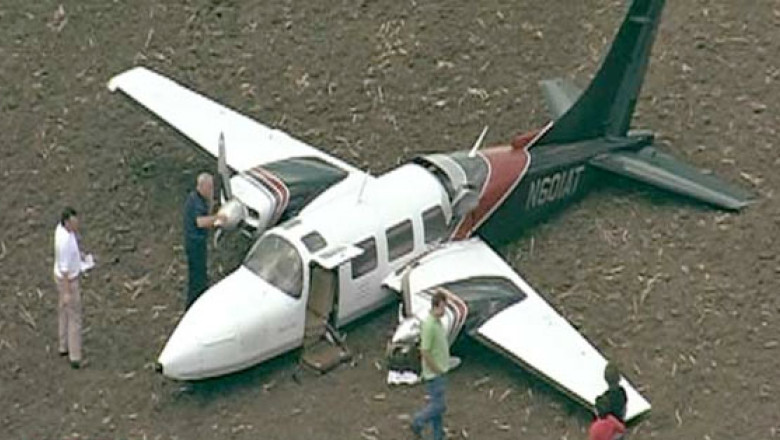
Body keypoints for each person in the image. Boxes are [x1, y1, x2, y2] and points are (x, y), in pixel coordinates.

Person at [411, 292, 450, 440]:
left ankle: (437, 436)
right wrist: (436, 369)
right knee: (439, 406)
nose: (445, 311)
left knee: (437, 407)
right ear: (436, 306)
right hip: (434, 374)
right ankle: (418, 420)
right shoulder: (429, 326)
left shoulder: (437, 322)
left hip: (440, 371)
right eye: (443, 307)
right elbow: (425, 351)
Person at [183, 173, 223, 309]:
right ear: (202, 186)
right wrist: (218, 218)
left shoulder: (197, 199)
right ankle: (193, 304)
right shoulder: (196, 202)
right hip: (195, 244)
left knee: (201, 274)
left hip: (198, 243)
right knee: (197, 277)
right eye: (209, 187)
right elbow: (201, 222)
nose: (211, 190)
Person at [53, 206, 84, 369]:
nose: (76, 225)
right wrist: (67, 292)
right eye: (73, 223)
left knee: (63, 311)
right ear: (66, 222)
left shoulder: (61, 231)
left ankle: (63, 345)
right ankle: (75, 356)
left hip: (58, 276)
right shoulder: (64, 243)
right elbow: (65, 269)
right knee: (74, 316)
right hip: (68, 281)